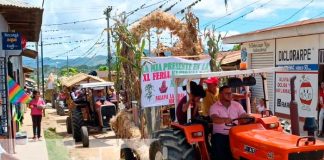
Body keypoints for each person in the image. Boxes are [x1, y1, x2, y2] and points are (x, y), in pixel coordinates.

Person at [210, 85, 249, 159]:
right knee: (218, 141)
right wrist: (224, 120)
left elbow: (243, 115)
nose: (229, 95)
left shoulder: (237, 105)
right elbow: (214, 119)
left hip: (235, 134)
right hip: (221, 135)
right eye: (226, 93)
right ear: (220, 95)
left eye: (230, 93)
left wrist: (247, 117)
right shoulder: (214, 107)